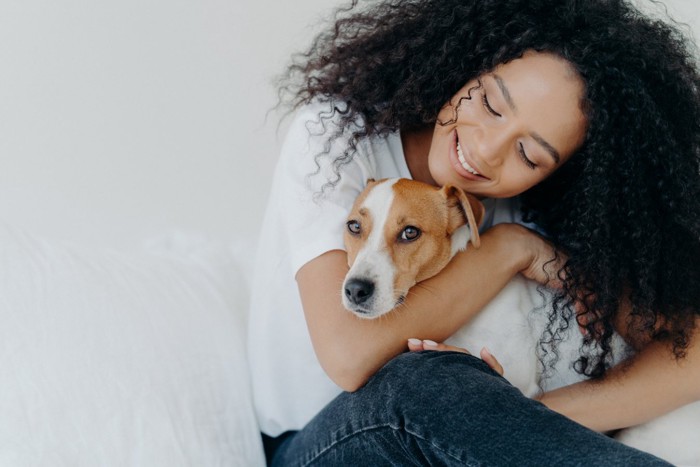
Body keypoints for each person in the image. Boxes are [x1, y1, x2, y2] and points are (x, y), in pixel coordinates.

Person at [247, 0, 700, 464]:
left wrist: (525, 414)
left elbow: (692, 355)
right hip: (313, 444)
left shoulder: (538, 207)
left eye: (529, 153)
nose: (485, 150)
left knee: (450, 380)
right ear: (467, 64)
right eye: (490, 103)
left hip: (466, 431)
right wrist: (511, 249)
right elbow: (348, 356)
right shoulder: (337, 139)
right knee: (422, 377)